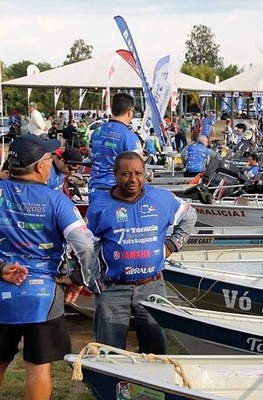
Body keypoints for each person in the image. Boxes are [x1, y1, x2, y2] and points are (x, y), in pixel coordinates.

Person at [0, 134, 95, 399]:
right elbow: (85, 245)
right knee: (38, 366)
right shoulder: (56, 200)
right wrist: (79, 278)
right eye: (49, 159)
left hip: (2, 290)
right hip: (42, 295)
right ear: (40, 166)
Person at [86, 151, 197, 354]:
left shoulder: (162, 199)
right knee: (109, 354)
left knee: (156, 353)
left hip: (152, 287)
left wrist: (171, 245)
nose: (133, 179)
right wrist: (93, 281)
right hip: (113, 290)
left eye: (138, 173)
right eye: (126, 174)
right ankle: (115, 386)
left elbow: (190, 216)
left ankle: (152, 386)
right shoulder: (99, 207)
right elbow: (86, 246)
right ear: (115, 174)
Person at [88, 93, 143, 203]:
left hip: (94, 189)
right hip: (117, 192)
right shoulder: (129, 136)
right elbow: (138, 167)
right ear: (130, 111)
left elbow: (91, 155)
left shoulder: (97, 132)